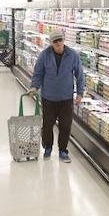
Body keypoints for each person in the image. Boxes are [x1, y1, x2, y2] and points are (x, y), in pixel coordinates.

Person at [27, 31, 84, 162]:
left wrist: (80, 93)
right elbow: (38, 73)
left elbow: (80, 74)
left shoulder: (72, 55)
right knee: (48, 124)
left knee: (65, 125)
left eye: (60, 40)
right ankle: (48, 146)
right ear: (51, 43)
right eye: (55, 41)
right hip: (48, 97)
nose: (58, 43)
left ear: (63, 40)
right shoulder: (44, 55)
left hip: (66, 97)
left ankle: (63, 150)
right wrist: (34, 87)